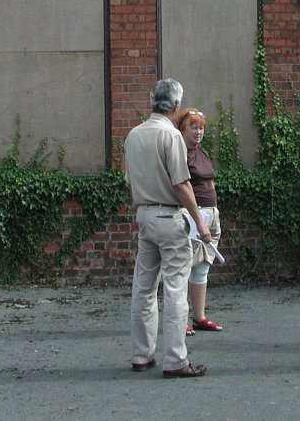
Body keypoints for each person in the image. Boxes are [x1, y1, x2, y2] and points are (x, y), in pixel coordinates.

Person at [124, 78, 210, 379]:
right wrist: (199, 222)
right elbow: (181, 184)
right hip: (169, 217)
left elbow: (128, 180)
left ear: (152, 101)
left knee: (143, 288)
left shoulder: (133, 135)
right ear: (175, 105)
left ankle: (141, 354)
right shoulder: (171, 135)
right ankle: (175, 360)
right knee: (175, 289)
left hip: (144, 215)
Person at [176, 107, 224, 334]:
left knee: (203, 266)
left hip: (211, 213)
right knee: (185, 265)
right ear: (182, 129)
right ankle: (180, 319)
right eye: (193, 127)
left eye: (201, 128)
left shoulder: (201, 153)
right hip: (194, 216)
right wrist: (196, 218)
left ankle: (199, 317)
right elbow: (180, 186)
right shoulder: (180, 154)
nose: (198, 132)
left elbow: (209, 181)